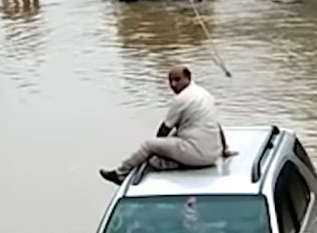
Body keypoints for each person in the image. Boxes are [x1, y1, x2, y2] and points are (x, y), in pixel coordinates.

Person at [100, 65, 236, 185]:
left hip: (196, 154)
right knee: (167, 144)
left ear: (188, 78)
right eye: (170, 81)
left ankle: (120, 173)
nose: (173, 84)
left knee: (150, 145)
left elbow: (164, 129)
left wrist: (158, 148)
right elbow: (216, 126)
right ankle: (164, 163)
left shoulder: (182, 99)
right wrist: (225, 149)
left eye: (177, 80)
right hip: (213, 156)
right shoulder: (205, 95)